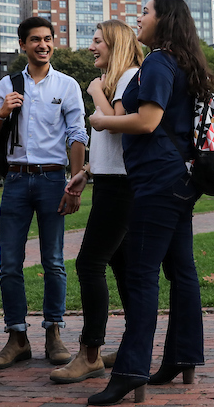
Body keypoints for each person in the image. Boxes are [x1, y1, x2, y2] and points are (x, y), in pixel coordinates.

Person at [86, 0, 212, 406]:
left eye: (145, 12)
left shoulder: (158, 61)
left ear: (164, 19)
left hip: (157, 180)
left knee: (141, 275)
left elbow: (147, 120)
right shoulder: (187, 63)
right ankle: (183, 357)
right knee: (182, 270)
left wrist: (103, 119)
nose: (139, 18)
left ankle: (129, 370)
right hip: (182, 178)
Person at [0, 16, 87, 371]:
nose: (43, 45)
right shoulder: (8, 84)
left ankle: (54, 333)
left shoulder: (68, 85)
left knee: (53, 261)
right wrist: (3, 109)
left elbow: (77, 134)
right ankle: (17, 337)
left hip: (53, 179)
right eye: (35, 40)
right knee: (9, 263)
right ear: (23, 45)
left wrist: (76, 179)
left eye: (47, 39)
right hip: (15, 180)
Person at [51, 21, 144, 385]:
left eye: (96, 41)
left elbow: (118, 124)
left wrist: (94, 93)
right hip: (110, 181)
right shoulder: (117, 81)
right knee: (122, 269)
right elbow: (113, 145)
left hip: (121, 188)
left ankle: (90, 354)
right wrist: (87, 171)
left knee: (89, 264)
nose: (91, 47)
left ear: (115, 45)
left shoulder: (126, 79)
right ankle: (132, 347)